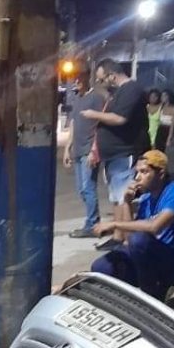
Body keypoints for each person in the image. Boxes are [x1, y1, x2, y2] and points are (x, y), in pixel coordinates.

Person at [91, 150, 174, 300]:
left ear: (160, 173)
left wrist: (114, 224)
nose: (137, 177)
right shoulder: (146, 198)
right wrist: (126, 202)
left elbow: (155, 226)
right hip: (150, 259)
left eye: (144, 172)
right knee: (101, 267)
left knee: (140, 240)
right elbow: (128, 240)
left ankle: (151, 297)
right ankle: (134, 298)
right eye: (137, 172)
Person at [84, 58, 148, 246]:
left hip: (124, 153)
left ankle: (130, 244)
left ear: (112, 75)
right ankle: (118, 237)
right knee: (116, 199)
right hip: (112, 156)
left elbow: (120, 119)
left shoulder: (131, 90)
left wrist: (93, 114)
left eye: (102, 79)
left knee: (124, 200)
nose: (102, 83)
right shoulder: (119, 92)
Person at [62, 71, 106, 238]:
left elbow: (100, 125)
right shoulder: (77, 99)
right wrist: (68, 148)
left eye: (80, 79)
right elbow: (73, 124)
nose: (77, 82)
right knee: (81, 189)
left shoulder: (95, 98)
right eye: (75, 79)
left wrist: (94, 151)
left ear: (88, 79)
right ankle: (94, 221)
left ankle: (92, 224)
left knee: (88, 188)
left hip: (89, 150)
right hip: (78, 150)